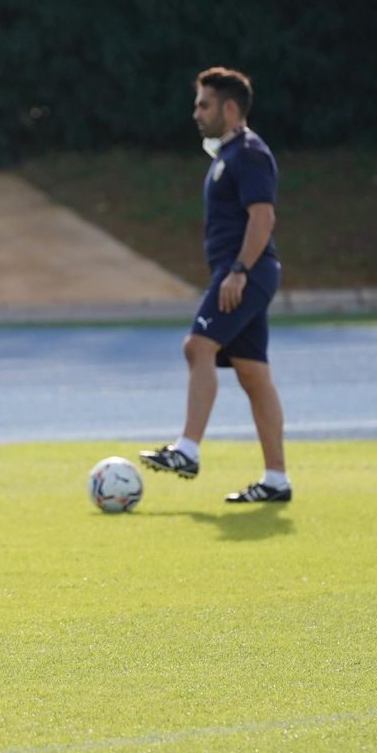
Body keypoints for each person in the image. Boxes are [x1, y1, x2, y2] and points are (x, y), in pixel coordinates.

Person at [140, 67, 291, 503]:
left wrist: (239, 270)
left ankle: (187, 450)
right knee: (253, 375)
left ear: (229, 108)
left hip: (245, 272)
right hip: (241, 272)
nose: (196, 114)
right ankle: (276, 481)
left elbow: (263, 216)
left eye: (204, 105)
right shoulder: (227, 154)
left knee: (197, 346)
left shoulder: (249, 152)